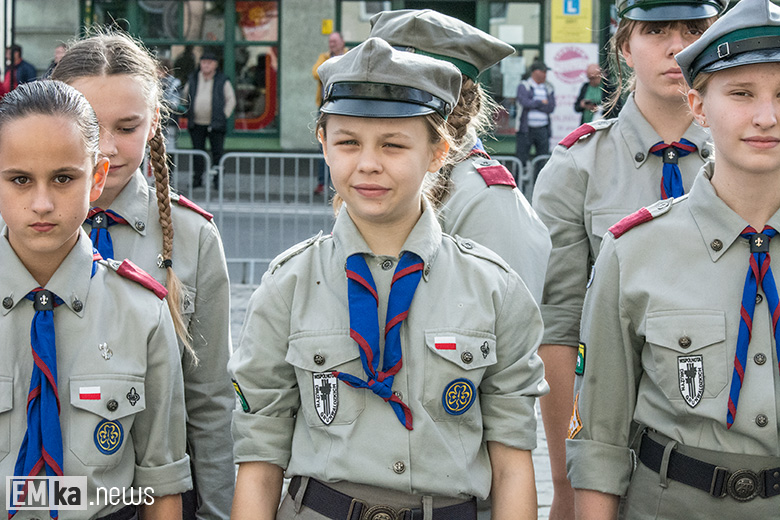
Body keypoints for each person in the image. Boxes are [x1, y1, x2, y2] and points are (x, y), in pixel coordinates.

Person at [229, 37, 548, 520]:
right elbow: (259, 461)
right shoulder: (288, 285)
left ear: (439, 151)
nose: (369, 163)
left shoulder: (493, 288)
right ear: (324, 145)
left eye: (394, 145)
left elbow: (513, 465)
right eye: (348, 142)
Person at [568, 0, 780, 517]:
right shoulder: (635, 250)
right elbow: (600, 439)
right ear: (698, 105)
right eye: (741, 93)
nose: (766, 116)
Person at [531, 1, 724, 518]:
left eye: (694, 29)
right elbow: (559, 331)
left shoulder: (749, 159)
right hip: (615, 430)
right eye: (655, 30)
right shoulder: (578, 167)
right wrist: (565, 479)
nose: (676, 45)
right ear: (623, 47)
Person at [52, 33, 234, 520]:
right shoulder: (15, 230)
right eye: (90, 124)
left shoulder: (192, 237)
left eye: (128, 126)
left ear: (155, 123)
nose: (107, 147)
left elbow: (211, 402)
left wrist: (217, 512)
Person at [0, 79, 191, 519]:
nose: (43, 203)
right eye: (20, 180)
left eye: (64, 178)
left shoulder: (141, 312)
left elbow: (160, 482)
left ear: (97, 178)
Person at [368, 9, 551, 305]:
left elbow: (508, 334)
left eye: (396, 93)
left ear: (447, 101)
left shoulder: (487, 200)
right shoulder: (376, 174)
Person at [183, 50, 236, 189]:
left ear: (215, 65)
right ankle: (197, 180)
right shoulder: (193, 78)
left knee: (217, 154)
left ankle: (217, 181)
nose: (206, 65)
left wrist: (223, 115)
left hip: (216, 124)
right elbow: (184, 96)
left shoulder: (222, 80)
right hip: (196, 124)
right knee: (197, 153)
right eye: (203, 62)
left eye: (209, 63)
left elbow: (231, 100)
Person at [312, 32, 347, 196]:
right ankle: (321, 182)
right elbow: (316, 73)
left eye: (334, 41)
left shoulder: (349, 55)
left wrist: (330, 71)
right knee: (323, 144)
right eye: (330, 41)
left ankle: (339, 184)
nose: (331, 44)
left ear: (342, 42)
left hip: (344, 105)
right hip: (325, 105)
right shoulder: (324, 56)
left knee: (343, 144)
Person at [515, 60, 555, 175]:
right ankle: (518, 184)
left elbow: (551, 107)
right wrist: (541, 102)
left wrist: (535, 104)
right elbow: (525, 103)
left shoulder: (548, 87)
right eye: (543, 71)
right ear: (535, 72)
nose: (545, 74)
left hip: (543, 128)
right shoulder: (524, 86)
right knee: (521, 158)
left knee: (542, 160)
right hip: (526, 129)